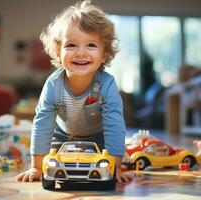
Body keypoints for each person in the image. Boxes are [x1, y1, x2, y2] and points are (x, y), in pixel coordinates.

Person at [16, 0, 133, 183]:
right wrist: (36, 167)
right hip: (62, 138)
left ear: (104, 53)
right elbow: (42, 124)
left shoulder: (107, 84)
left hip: (99, 138)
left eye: (91, 45)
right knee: (52, 162)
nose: (81, 53)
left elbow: (114, 125)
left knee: (113, 158)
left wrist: (115, 167)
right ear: (57, 51)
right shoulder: (53, 84)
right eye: (71, 45)